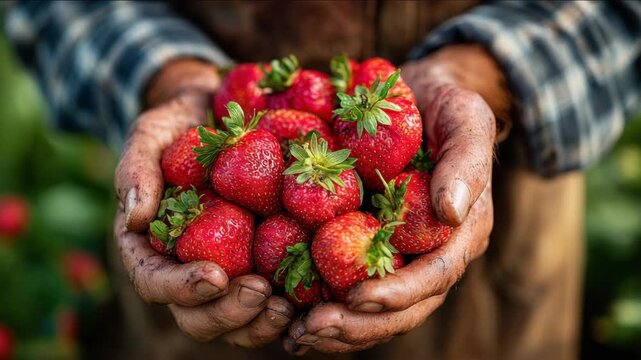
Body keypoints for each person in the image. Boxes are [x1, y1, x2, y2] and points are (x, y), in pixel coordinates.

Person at [6, 1, 641, 359]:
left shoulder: (340, 171)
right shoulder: (264, 158)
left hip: (500, 271)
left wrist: (482, 77)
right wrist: (168, 79)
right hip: (196, 326)